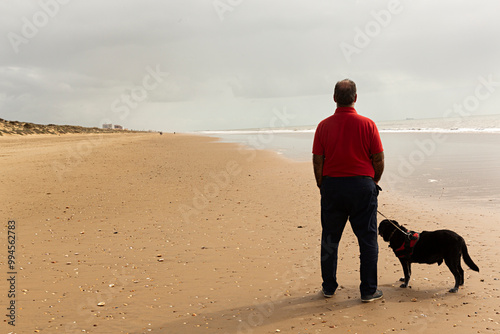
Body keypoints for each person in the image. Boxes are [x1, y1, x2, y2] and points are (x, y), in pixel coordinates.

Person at [312, 79, 385, 303]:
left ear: (334, 98)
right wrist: (374, 180)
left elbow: (317, 160)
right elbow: (379, 158)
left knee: (330, 239)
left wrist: (321, 184)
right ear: (355, 97)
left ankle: (329, 287)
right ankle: (368, 290)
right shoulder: (368, 124)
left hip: (333, 185)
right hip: (362, 185)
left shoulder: (323, 126)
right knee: (367, 239)